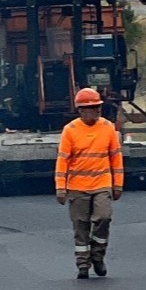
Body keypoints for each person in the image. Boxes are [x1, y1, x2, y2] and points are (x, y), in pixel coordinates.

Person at [55, 88, 124, 279]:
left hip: (102, 183)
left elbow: (116, 159)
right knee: (81, 226)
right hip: (77, 187)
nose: (97, 110)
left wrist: (118, 185)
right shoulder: (70, 130)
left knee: (104, 217)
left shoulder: (108, 128)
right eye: (92, 108)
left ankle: (98, 256)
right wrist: (60, 188)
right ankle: (83, 264)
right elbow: (62, 161)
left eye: (98, 107)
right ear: (81, 111)